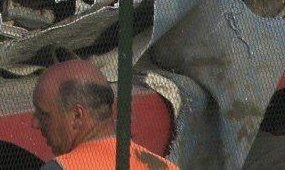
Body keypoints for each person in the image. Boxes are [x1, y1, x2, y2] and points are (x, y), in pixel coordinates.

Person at [33, 59, 178, 170]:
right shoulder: (164, 166)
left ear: (77, 116)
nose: (35, 123)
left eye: (43, 114)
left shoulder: (64, 167)